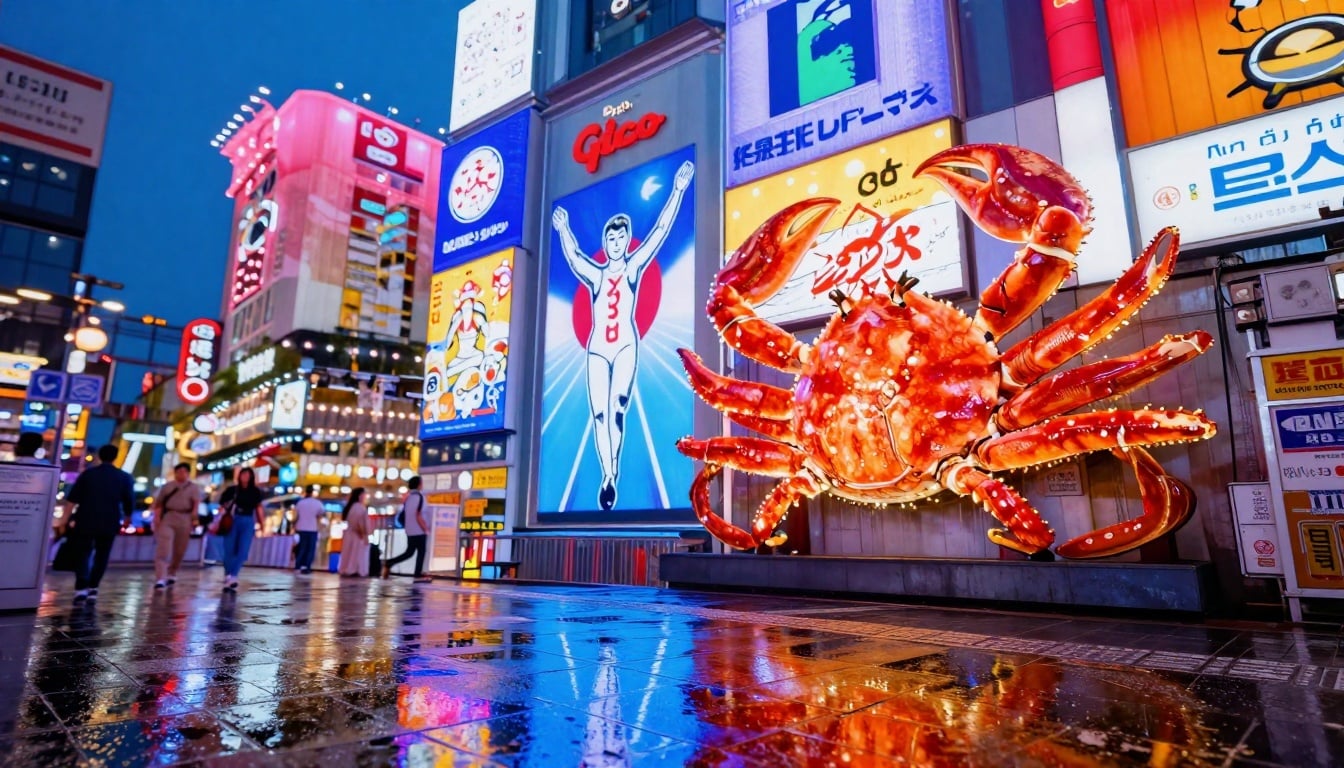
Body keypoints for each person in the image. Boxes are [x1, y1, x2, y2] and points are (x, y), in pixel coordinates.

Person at [551, 159, 694, 511]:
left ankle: (612, 471)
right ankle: (609, 474)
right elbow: (573, 256)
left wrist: (677, 190)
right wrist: (563, 229)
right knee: (599, 413)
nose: (615, 242)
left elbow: (660, 231)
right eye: (610, 237)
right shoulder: (597, 275)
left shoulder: (632, 267)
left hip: (626, 346)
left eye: (620, 237)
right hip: (597, 349)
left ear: (627, 241)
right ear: (606, 241)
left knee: (617, 410)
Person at [63, 445, 134, 603]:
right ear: (115, 457)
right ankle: (93, 587)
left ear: (100, 456)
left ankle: (81, 587)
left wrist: (64, 520)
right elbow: (129, 500)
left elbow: (72, 499)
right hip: (109, 520)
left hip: (85, 519)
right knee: (102, 555)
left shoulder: (88, 474)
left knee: (83, 552)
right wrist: (128, 518)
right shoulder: (124, 477)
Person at [150, 462, 203, 589]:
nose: (181, 474)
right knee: (164, 548)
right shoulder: (167, 487)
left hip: (185, 518)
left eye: (184, 471)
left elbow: (195, 505)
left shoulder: (193, 488)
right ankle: (160, 577)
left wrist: (195, 520)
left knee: (180, 550)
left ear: (188, 473)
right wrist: (156, 519)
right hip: (168, 518)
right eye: (179, 471)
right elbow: (159, 504)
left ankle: (172, 572)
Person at [217, 467, 264, 592]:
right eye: (243, 474)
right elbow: (221, 505)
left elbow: (258, 508)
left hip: (248, 520)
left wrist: (262, 523)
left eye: (248, 475)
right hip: (232, 520)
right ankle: (228, 575)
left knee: (243, 550)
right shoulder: (231, 490)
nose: (245, 477)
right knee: (229, 550)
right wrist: (220, 516)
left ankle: (233, 575)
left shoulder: (255, 492)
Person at [381, 476, 430, 583]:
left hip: (410, 530)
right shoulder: (420, 497)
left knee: (409, 552)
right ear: (419, 484)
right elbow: (418, 514)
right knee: (421, 552)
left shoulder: (408, 497)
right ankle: (418, 574)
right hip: (419, 530)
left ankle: (390, 562)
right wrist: (425, 528)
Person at [337, 488, 371, 577]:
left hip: (350, 533)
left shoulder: (351, 507)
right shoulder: (360, 508)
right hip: (357, 534)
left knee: (349, 552)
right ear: (360, 496)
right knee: (356, 553)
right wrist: (364, 534)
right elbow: (359, 523)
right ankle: (354, 569)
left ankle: (346, 569)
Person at [292, 486, 324, 574]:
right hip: (312, 529)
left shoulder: (300, 503)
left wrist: (294, 526)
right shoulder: (318, 503)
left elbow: (296, 516)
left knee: (301, 548)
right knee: (310, 549)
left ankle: (298, 565)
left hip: (300, 528)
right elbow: (320, 516)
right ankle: (306, 566)